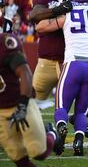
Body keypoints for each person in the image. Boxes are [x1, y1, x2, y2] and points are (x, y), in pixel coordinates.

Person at [29, 0, 88, 139]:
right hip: (48, 62)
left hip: (71, 62)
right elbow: (35, 18)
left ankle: (77, 120)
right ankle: (24, 132)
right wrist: (59, 9)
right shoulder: (43, 0)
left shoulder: (75, 2)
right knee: (30, 100)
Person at [0, 33, 62, 166]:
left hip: (19, 103)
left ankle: (51, 133)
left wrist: (22, 105)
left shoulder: (4, 43)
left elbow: (24, 72)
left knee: (39, 153)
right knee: (19, 159)